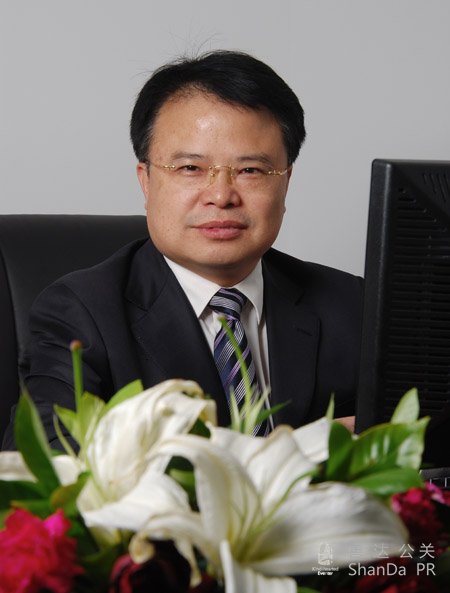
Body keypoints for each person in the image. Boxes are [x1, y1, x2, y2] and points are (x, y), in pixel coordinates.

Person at [3, 50, 363, 449]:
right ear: (146, 181)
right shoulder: (80, 314)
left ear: (285, 182)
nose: (221, 196)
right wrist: (296, 450)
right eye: (191, 168)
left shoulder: (353, 305)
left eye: (251, 170)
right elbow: (48, 464)